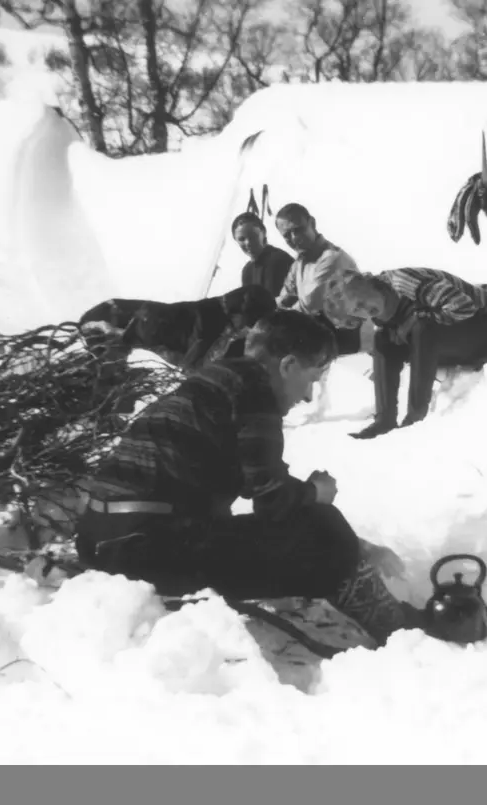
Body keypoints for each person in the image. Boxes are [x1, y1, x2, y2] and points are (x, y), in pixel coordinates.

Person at [74, 309, 430, 646]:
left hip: (100, 541)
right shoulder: (255, 389)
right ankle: (401, 629)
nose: (307, 396)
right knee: (324, 528)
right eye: (311, 378)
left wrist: (305, 499)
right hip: (142, 551)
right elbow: (273, 501)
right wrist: (317, 493)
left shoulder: (216, 380)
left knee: (299, 524)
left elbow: (259, 478)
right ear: (288, 365)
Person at [337, 268, 487, 439]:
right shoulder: (380, 309)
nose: (366, 310)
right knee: (382, 338)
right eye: (357, 310)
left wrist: (424, 317)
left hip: (483, 327)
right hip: (444, 341)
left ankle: (416, 415)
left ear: (373, 286)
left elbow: (463, 307)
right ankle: (384, 420)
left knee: (422, 327)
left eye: (364, 301)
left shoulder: (404, 283)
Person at [78, 284, 276, 374]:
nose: (247, 328)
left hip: (117, 318)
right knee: (106, 377)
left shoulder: (213, 314)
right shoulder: (210, 323)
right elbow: (190, 369)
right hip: (108, 320)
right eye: (249, 323)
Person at [273, 203, 364, 358]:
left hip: (345, 340)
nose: (295, 239)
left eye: (299, 230)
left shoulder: (331, 258)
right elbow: (285, 296)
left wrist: (280, 314)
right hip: (322, 339)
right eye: (287, 235)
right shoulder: (300, 261)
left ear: (312, 223)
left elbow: (310, 303)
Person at [232, 212, 293, 298]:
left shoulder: (280, 260)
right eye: (241, 239)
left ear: (263, 232)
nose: (248, 243)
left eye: (252, 236)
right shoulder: (247, 271)